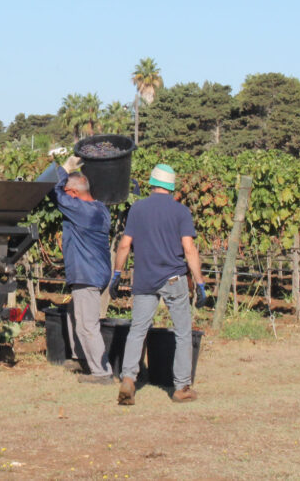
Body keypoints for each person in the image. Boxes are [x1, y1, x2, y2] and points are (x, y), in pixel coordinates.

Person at [112, 163, 205, 404]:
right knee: (183, 333)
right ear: (172, 186)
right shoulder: (181, 211)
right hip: (173, 278)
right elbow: (189, 248)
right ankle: (181, 387)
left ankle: (129, 379)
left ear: (152, 184)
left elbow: (124, 244)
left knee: (138, 329)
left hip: (144, 277)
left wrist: (116, 274)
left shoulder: (137, 209)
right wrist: (200, 281)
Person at [50, 155, 114, 385]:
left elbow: (53, 192)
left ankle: (101, 373)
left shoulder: (81, 210)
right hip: (97, 271)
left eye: (69, 193)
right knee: (73, 314)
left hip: (87, 274)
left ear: (74, 193)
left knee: (88, 325)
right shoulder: (100, 208)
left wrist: (63, 169)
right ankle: (80, 357)